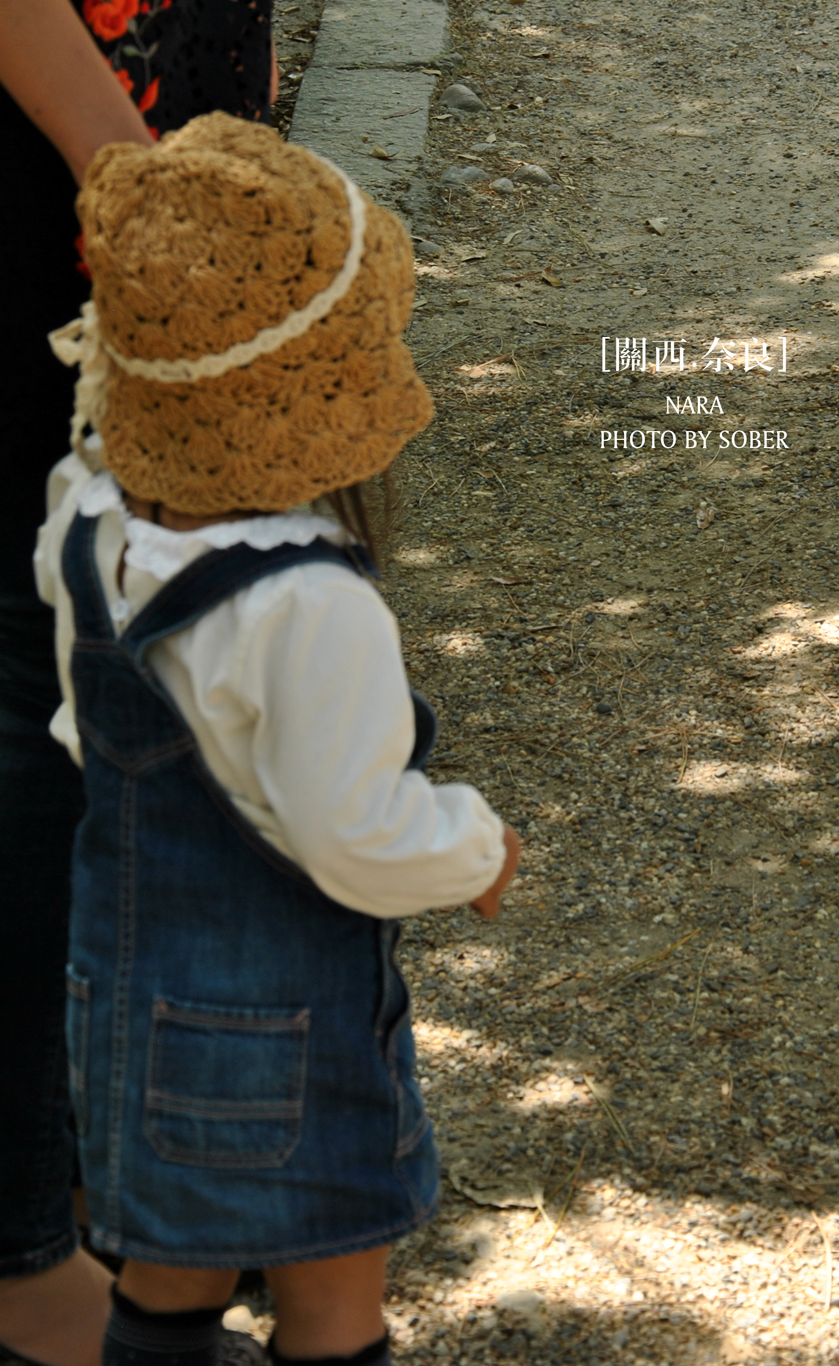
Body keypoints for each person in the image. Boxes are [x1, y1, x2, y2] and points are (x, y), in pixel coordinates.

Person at [35, 114, 522, 1366]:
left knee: (168, 1271)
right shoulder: (310, 602)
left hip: (117, 998)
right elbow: (348, 828)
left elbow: (84, 726)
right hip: (278, 1037)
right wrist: (470, 848)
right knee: (328, 1298)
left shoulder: (86, 525)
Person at [0, 0, 275, 1356]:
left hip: (150, 145)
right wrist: (123, 163)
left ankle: (110, 1204)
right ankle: (32, 1266)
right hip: (54, 160)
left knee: (118, 677)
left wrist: (219, 154)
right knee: (21, 705)